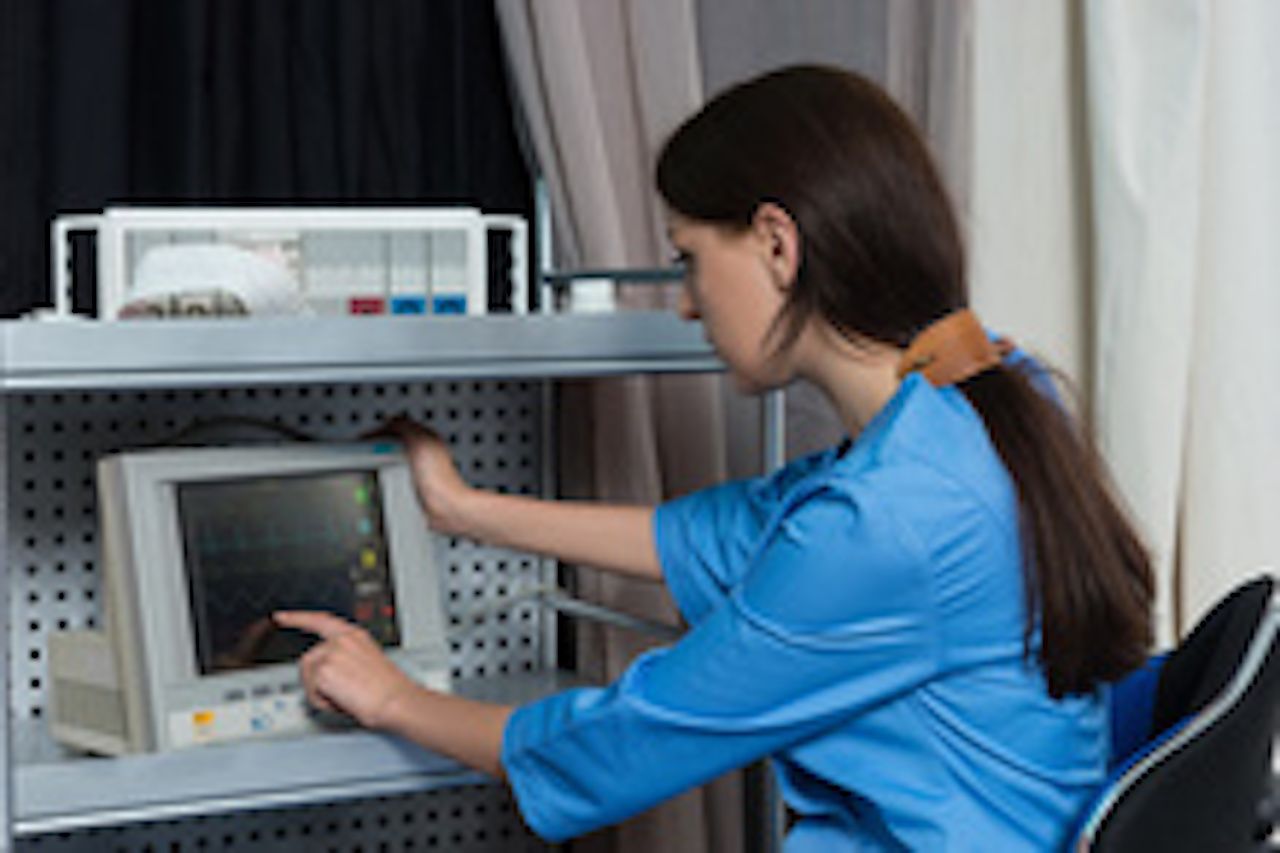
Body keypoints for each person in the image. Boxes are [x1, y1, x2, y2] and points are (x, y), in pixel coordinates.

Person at [275, 65, 1154, 850]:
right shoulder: (988, 397)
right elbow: (729, 532)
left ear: (779, 242)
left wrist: (390, 698)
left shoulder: (892, 521)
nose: (689, 305)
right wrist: (462, 508)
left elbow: (631, 737)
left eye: (692, 260)